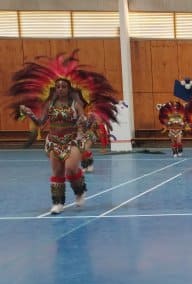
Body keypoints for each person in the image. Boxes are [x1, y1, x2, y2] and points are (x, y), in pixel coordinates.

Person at [9, 50, 118, 214]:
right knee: (57, 172)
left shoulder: (76, 104)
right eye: (58, 86)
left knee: (70, 168)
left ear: (69, 89)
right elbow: (40, 122)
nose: (60, 89)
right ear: (55, 88)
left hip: (72, 140)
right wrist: (29, 113)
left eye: (64, 86)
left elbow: (83, 119)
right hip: (53, 141)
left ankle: (80, 191)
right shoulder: (49, 105)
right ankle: (58, 203)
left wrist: (89, 120)